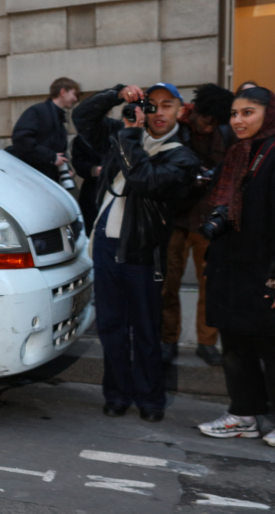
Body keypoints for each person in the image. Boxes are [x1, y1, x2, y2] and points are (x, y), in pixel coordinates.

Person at [73, 83, 200, 422]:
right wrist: (117, 95)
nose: (159, 112)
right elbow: (82, 116)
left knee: (145, 329)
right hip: (106, 245)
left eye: (167, 105)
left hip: (143, 252)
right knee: (111, 328)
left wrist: (130, 136)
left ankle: (150, 400)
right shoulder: (123, 132)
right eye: (152, 105)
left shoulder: (182, 157)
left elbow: (144, 179)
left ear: (180, 111)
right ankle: (116, 394)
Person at [197, 87, 275, 444]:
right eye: (235, 113)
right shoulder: (237, 154)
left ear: (268, 114)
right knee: (236, 344)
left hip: (264, 269)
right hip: (231, 267)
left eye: (248, 113)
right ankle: (244, 413)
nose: (239, 120)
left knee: (270, 346)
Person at [161, 84, 235, 367]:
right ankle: (168, 340)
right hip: (175, 219)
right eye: (207, 119)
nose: (210, 126)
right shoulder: (176, 129)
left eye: (216, 122)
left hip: (208, 220)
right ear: (198, 112)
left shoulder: (225, 133)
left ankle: (207, 342)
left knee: (211, 286)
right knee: (169, 285)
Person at [7, 77, 80, 182]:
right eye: (74, 94)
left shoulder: (53, 114)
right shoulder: (38, 111)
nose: (75, 99)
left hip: (44, 176)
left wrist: (63, 167)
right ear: (63, 92)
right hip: (35, 177)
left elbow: (56, 149)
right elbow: (21, 139)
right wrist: (51, 158)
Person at [70, 134, 102, 234]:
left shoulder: (117, 132)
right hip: (93, 187)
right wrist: (94, 170)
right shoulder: (82, 138)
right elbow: (78, 162)